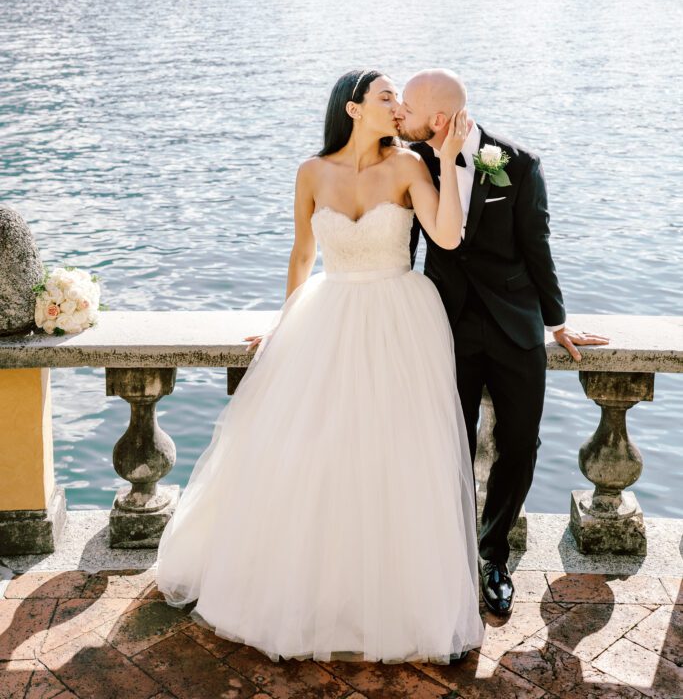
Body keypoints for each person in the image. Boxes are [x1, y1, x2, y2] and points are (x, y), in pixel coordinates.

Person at [155, 68, 485, 665]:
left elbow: (447, 236)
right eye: (387, 96)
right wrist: (285, 325)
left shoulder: (411, 166)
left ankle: (393, 600)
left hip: (397, 320)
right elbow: (303, 253)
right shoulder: (311, 172)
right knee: (315, 452)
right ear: (354, 109)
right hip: (328, 315)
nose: (398, 105)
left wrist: (452, 160)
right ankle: (312, 590)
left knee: (395, 454)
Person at [395, 69, 609, 617]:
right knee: (449, 442)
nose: (400, 114)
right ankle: (448, 553)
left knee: (519, 442)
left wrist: (557, 322)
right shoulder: (413, 164)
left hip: (517, 326)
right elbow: (406, 246)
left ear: (438, 120)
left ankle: (493, 556)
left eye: (410, 108)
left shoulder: (518, 162)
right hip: (446, 325)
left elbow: (537, 246)